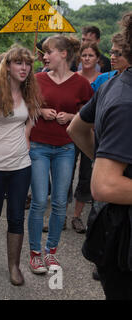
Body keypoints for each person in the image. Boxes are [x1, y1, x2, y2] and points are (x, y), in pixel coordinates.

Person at [67, 12, 132, 300]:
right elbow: (104, 186)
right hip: (122, 238)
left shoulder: (112, 84)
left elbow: (77, 128)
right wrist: (105, 166)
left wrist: (104, 157)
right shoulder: (126, 100)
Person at [0, 45, 42, 286]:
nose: (24, 68)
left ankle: (14, 265)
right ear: (8, 67)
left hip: (21, 166)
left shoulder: (30, 92)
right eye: (19, 63)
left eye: (27, 64)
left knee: (15, 216)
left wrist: (25, 141)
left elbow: (28, 122)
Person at [28, 35, 93, 274]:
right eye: (44, 52)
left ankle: (51, 253)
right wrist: (40, 110)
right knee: (38, 201)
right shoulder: (37, 79)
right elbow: (25, 105)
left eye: (49, 52)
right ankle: (35, 254)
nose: (44, 56)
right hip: (38, 147)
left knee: (58, 203)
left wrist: (73, 118)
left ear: (63, 54)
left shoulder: (81, 83)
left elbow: (90, 114)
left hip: (66, 148)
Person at [67, 42, 102, 234]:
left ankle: (77, 216)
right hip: (74, 130)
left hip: (94, 133)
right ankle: (60, 214)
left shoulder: (103, 79)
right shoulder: (73, 79)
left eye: (91, 55)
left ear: (97, 59)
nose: (87, 58)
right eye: (84, 55)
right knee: (66, 173)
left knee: (87, 174)